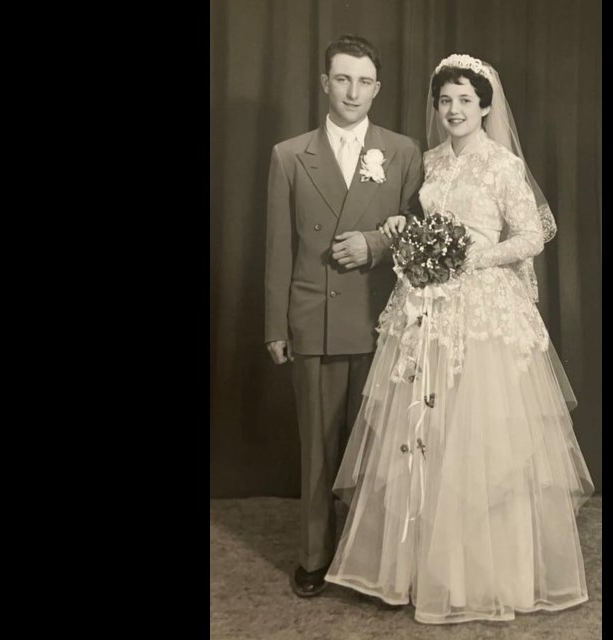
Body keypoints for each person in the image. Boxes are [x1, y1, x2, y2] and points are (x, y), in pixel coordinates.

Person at [324, 54, 594, 624]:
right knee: (429, 431)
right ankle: (426, 570)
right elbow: (421, 225)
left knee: (484, 438)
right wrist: (406, 231)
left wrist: (475, 257)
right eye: (445, 100)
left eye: (465, 100)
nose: (453, 110)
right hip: (427, 308)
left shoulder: (504, 166)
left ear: (486, 107)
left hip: (485, 310)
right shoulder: (429, 163)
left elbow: (531, 236)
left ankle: (492, 574)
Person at [264, 34, 424, 598]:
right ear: (325, 83)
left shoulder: (403, 151)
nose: (352, 91)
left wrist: (375, 245)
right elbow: (278, 246)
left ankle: (373, 560)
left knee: (381, 446)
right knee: (319, 447)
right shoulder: (290, 154)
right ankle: (314, 556)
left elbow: (419, 232)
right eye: (342, 79)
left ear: (376, 89)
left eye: (363, 81)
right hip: (316, 317)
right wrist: (276, 327)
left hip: (384, 319)